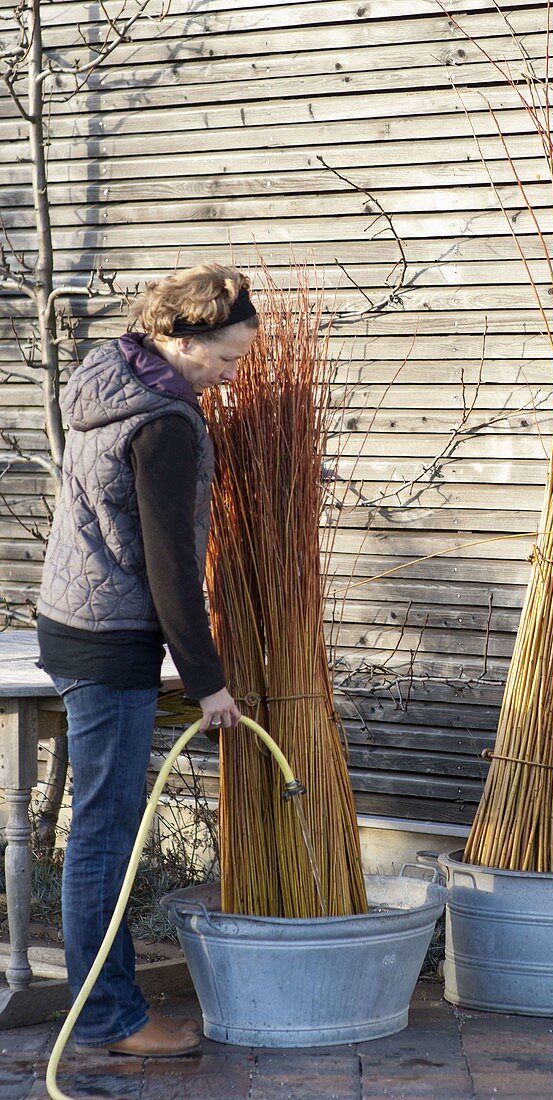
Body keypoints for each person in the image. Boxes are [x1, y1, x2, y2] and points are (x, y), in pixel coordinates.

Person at [36, 263, 257, 1057]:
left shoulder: (108, 375)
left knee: (102, 831)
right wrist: (209, 685)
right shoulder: (164, 422)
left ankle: (114, 1005)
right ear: (179, 338)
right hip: (114, 640)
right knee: (103, 836)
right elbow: (171, 570)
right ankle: (107, 1019)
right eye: (224, 360)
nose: (229, 378)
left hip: (70, 622)